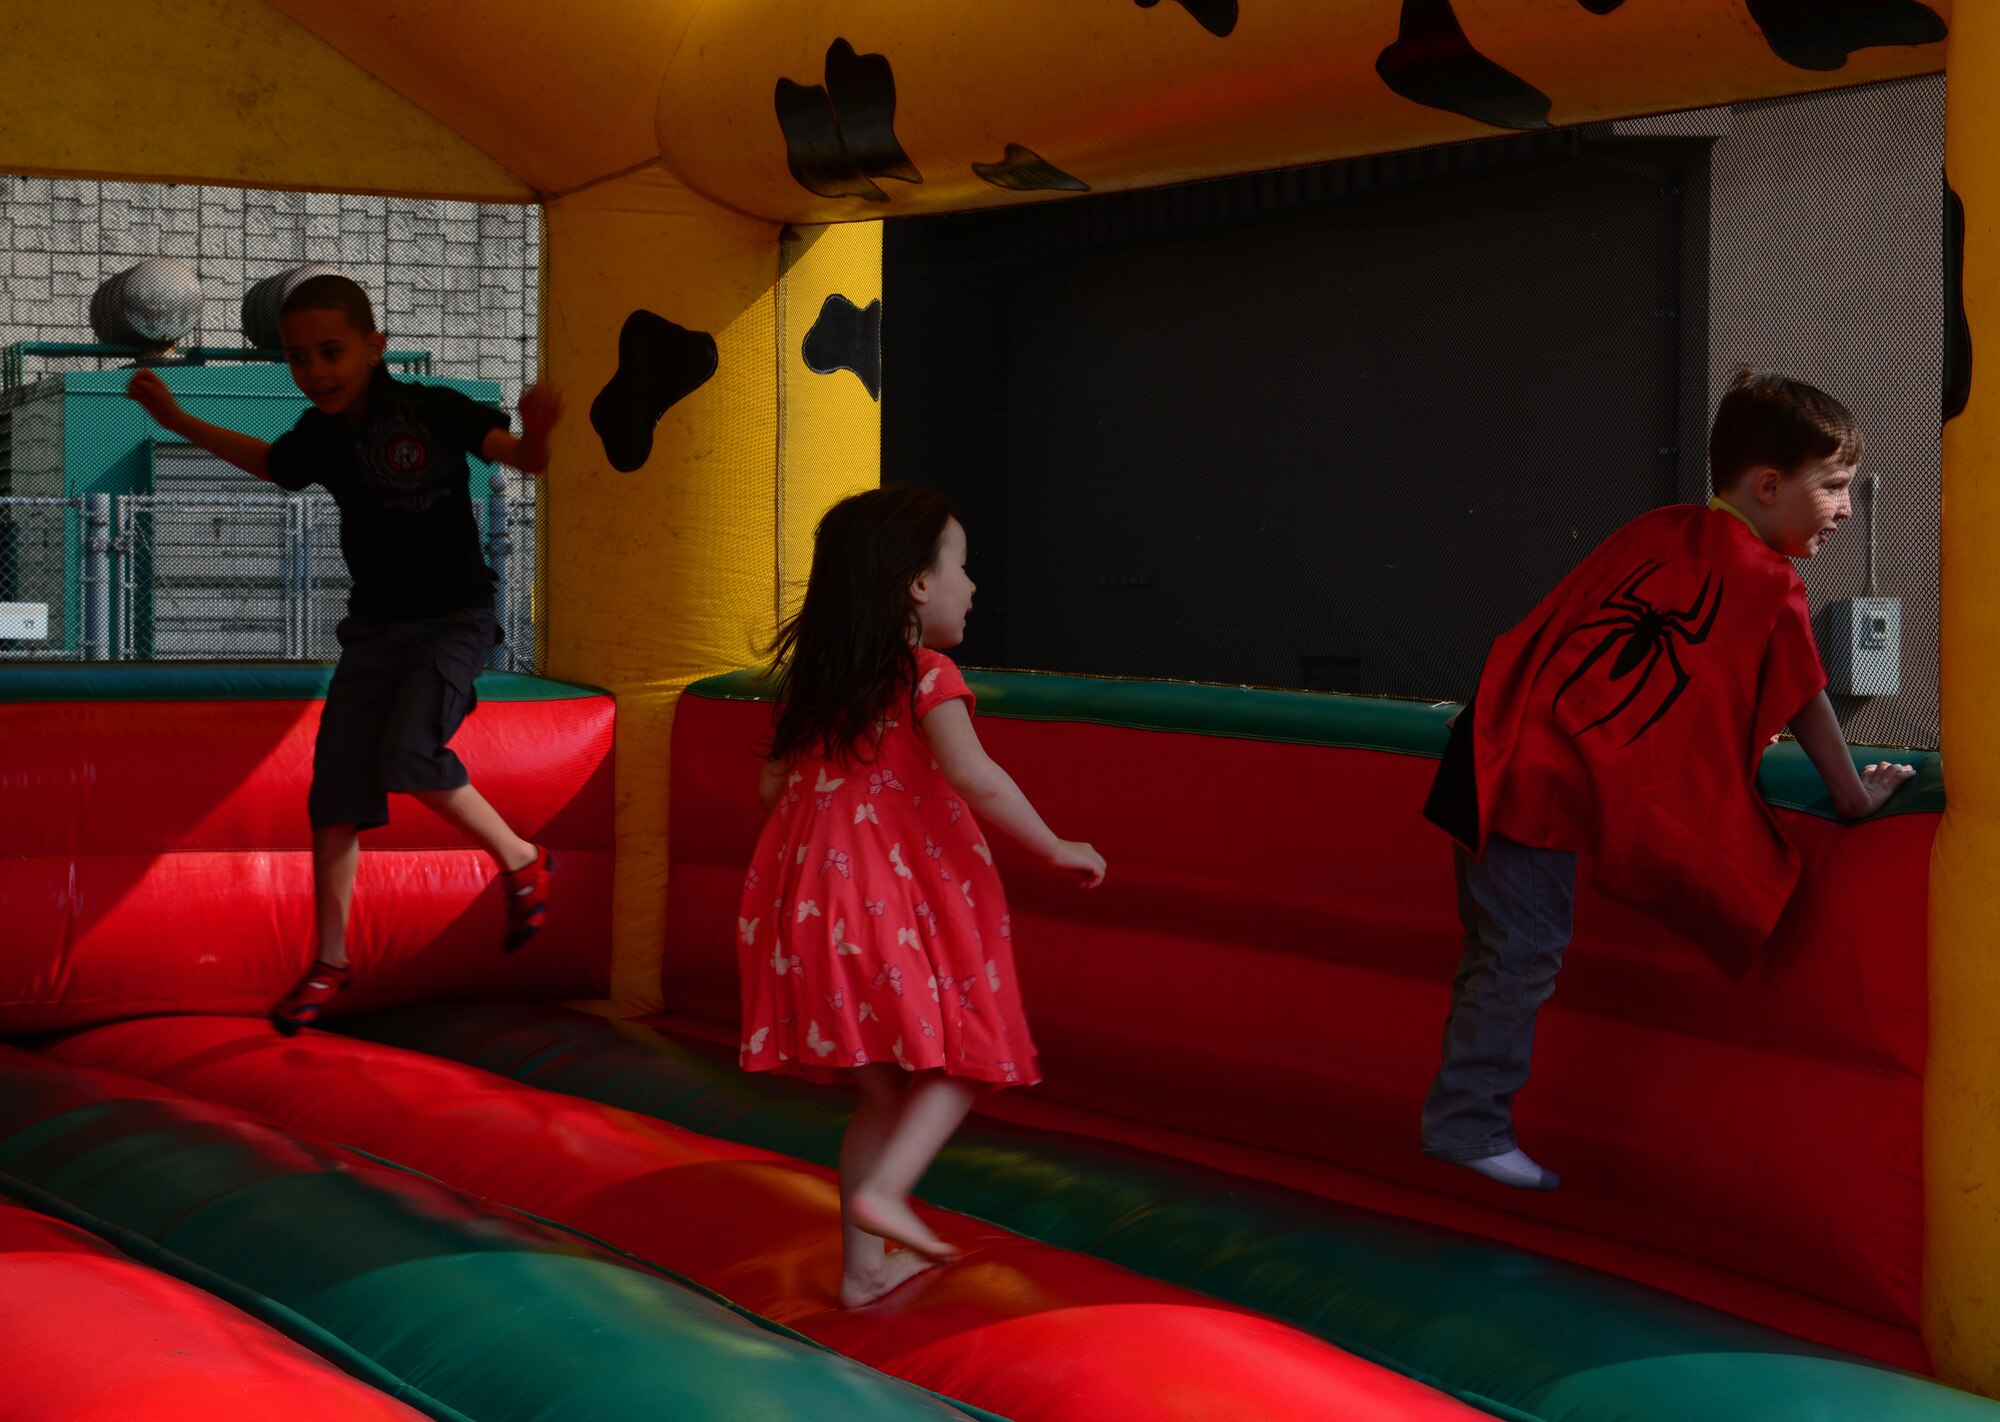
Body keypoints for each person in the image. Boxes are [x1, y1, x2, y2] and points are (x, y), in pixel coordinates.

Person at [1420, 370, 1915, 1191]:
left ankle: (1465, 1118)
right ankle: (1468, 1123)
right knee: (1521, 958)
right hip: (1539, 783)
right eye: (1832, 488)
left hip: (1490, 751)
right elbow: (1806, 699)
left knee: (1496, 952)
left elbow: (1554, 627)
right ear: (1767, 485)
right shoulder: (1767, 582)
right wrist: (1856, 797)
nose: (1846, 511)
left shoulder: (1659, 530)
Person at [125, 274, 563, 1035]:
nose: (317, 372)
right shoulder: (321, 436)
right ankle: (330, 960)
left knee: (411, 755)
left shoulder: (432, 408)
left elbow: (523, 460)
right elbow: (270, 464)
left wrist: (539, 431)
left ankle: (523, 858)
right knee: (333, 801)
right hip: (373, 635)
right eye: (299, 358)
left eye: (331, 352)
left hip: (452, 620)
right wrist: (175, 418)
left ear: (375, 347)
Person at [737, 484, 1106, 1307]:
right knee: (970, 1051)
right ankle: (888, 1193)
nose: (972, 587)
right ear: (915, 585)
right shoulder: (926, 675)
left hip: (808, 910)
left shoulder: (819, 686)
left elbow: (772, 791)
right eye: (961, 567)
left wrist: (837, 828)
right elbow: (975, 776)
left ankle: (863, 1270)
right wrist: (1054, 845)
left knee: (883, 1088)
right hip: (886, 912)